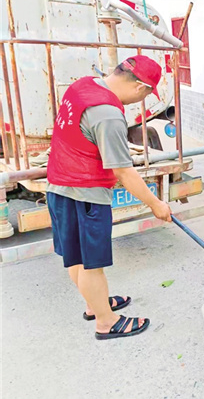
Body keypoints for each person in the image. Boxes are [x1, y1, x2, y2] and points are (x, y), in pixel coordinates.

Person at [46, 55, 172, 340]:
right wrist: (156, 205)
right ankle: (106, 322)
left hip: (59, 186)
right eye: (146, 95)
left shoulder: (82, 85)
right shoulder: (108, 114)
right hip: (86, 195)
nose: (141, 101)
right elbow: (124, 172)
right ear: (140, 87)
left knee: (76, 258)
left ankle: (96, 304)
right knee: (92, 264)